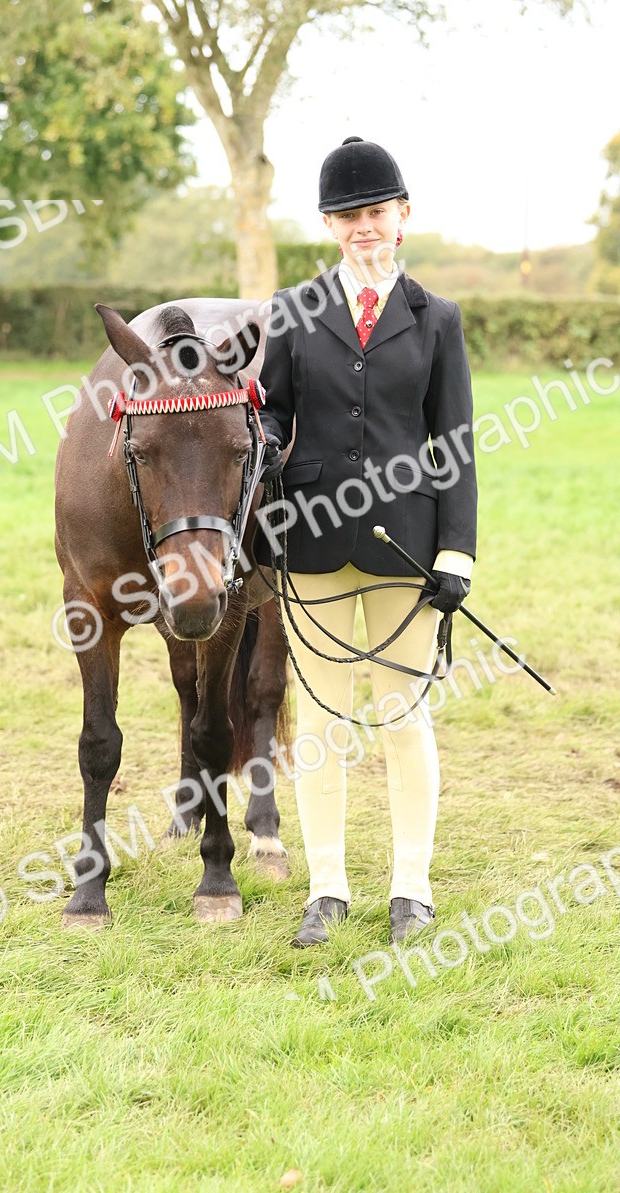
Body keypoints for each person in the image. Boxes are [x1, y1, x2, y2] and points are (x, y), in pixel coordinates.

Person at [257, 136, 477, 948]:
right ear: (328, 224)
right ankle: (327, 887)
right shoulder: (293, 311)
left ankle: (411, 887)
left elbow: (454, 440)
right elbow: (273, 410)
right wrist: (265, 445)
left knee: (404, 716)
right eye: (347, 215)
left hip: (408, 545)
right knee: (318, 723)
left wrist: (458, 550)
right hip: (311, 539)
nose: (363, 227)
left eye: (375, 212)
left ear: (403, 215)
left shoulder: (436, 319)